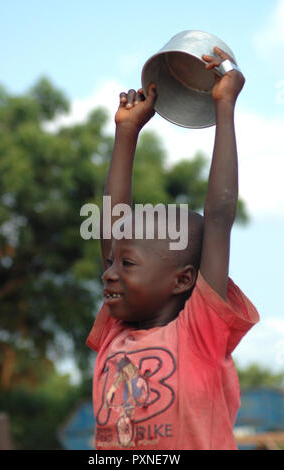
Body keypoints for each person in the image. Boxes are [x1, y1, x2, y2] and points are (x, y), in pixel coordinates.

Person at [86, 47, 260, 450]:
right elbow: (112, 228)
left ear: (183, 280)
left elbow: (218, 217)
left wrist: (224, 107)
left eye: (126, 264)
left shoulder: (200, 331)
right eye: (112, 261)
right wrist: (126, 132)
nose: (108, 272)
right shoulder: (117, 332)